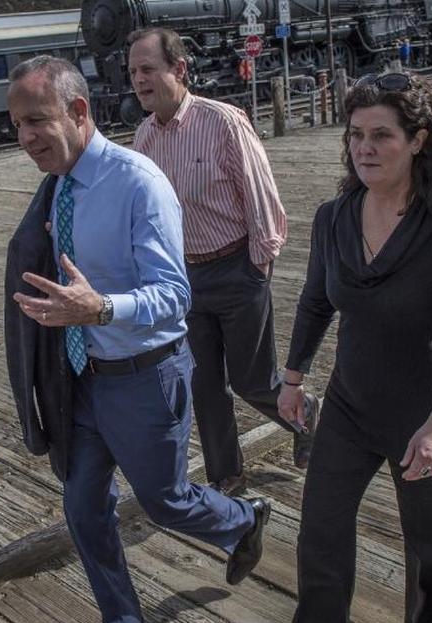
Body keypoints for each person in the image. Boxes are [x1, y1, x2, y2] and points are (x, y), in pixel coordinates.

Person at [3, 55, 271, 623]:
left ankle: (242, 518)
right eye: (17, 124)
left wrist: (99, 308)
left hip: (145, 376)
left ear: (78, 112)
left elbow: (175, 296)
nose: (24, 138)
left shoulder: (138, 183)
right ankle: (122, 622)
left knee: (165, 500)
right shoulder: (57, 189)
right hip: (79, 378)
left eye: (35, 121)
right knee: (83, 508)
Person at [278, 71, 432, 623]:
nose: (365, 148)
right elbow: (316, 301)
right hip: (351, 406)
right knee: (320, 531)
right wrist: (293, 379)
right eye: (355, 135)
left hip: (426, 414)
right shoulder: (335, 217)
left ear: (417, 140)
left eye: (381, 135)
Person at [127, 27, 319, 497]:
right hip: (183, 280)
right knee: (204, 386)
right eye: (133, 72)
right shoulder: (144, 137)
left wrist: (257, 268)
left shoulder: (223, 122)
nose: (139, 80)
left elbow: (264, 203)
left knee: (253, 381)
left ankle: (308, 416)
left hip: (236, 268)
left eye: (148, 69)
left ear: (179, 69)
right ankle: (227, 478)